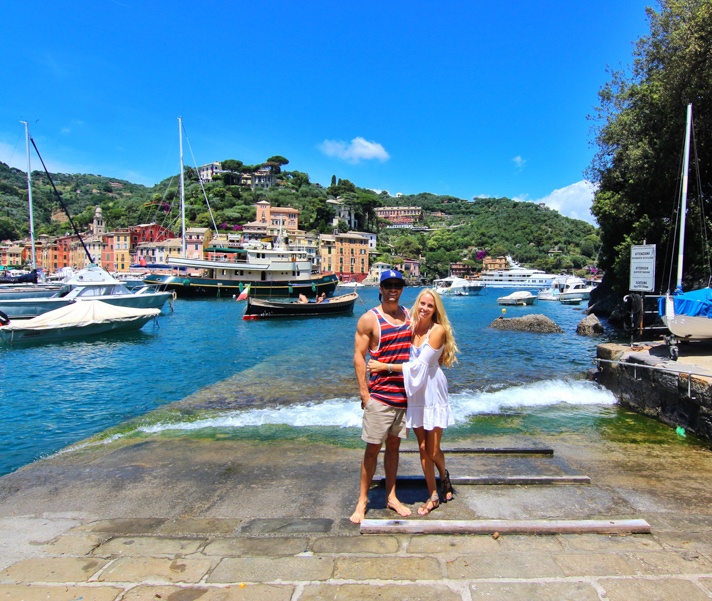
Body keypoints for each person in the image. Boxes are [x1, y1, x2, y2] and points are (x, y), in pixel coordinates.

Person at [368, 288, 458, 516]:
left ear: (436, 309)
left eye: (430, 305)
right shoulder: (412, 327)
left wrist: (384, 367)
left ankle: (444, 476)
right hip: (416, 392)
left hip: (433, 392)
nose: (425, 308)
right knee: (421, 447)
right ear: (417, 305)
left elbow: (419, 367)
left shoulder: (437, 331)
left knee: (433, 448)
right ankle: (433, 495)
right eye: (423, 304)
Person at [350, 269, 412, 524]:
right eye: (388, 285)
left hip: (404, 398)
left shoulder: (409, 316)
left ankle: (391, 496)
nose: (393, 289)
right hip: (380, 397)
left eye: (397, 285)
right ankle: (362, 500)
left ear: (402, 289)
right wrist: (364, 392)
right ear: (381, 288)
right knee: (372, 450)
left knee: (395, 448)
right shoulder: (369, 319)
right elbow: (358, 356)